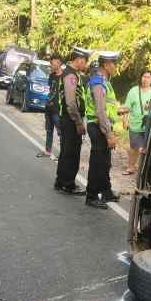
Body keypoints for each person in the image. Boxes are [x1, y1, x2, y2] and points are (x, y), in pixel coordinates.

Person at [84, 51, 121, 208]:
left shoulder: (104, 81)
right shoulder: (98, 83)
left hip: (102, 126)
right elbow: (100, 111)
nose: (116, 67)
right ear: (106, 65)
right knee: (98, 162)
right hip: (99, 126)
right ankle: (91, 196)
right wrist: (109, 134)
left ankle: (106, 191)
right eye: (114, 64)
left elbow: (108, 106)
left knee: (105, 162)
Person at [54, 47, 91, 195]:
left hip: (68, 119)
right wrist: (78, 122)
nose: (86, 65)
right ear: (80, 59)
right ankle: (68, 184)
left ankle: (60, 181)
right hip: (70, 120)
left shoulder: (72, 74)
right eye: (85, 62)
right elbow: (70, 102)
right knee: (71, 153)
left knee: (66, 151)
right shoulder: (71, 75)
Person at [121, 70, 151, 175]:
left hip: (149, 123)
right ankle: (131, 167)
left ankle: (141, 169)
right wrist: (124, 120)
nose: (145, 79)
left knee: (144, 147)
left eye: (148, 77)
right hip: (135, 123)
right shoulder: (134, 91)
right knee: (134, 147)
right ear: (140, 78)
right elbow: (127, 106)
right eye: (144, 76)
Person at [36, 53, 63, 160]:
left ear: (59, 62)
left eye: (52, 63)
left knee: (61, 132)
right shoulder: (51, 76)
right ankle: (47, 151)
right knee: (49, 130)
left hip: (58, 109)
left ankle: (62, 154)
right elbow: (50, 90)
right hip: (49, 107)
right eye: (50, 63)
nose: (50, 65)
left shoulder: (65, 76)